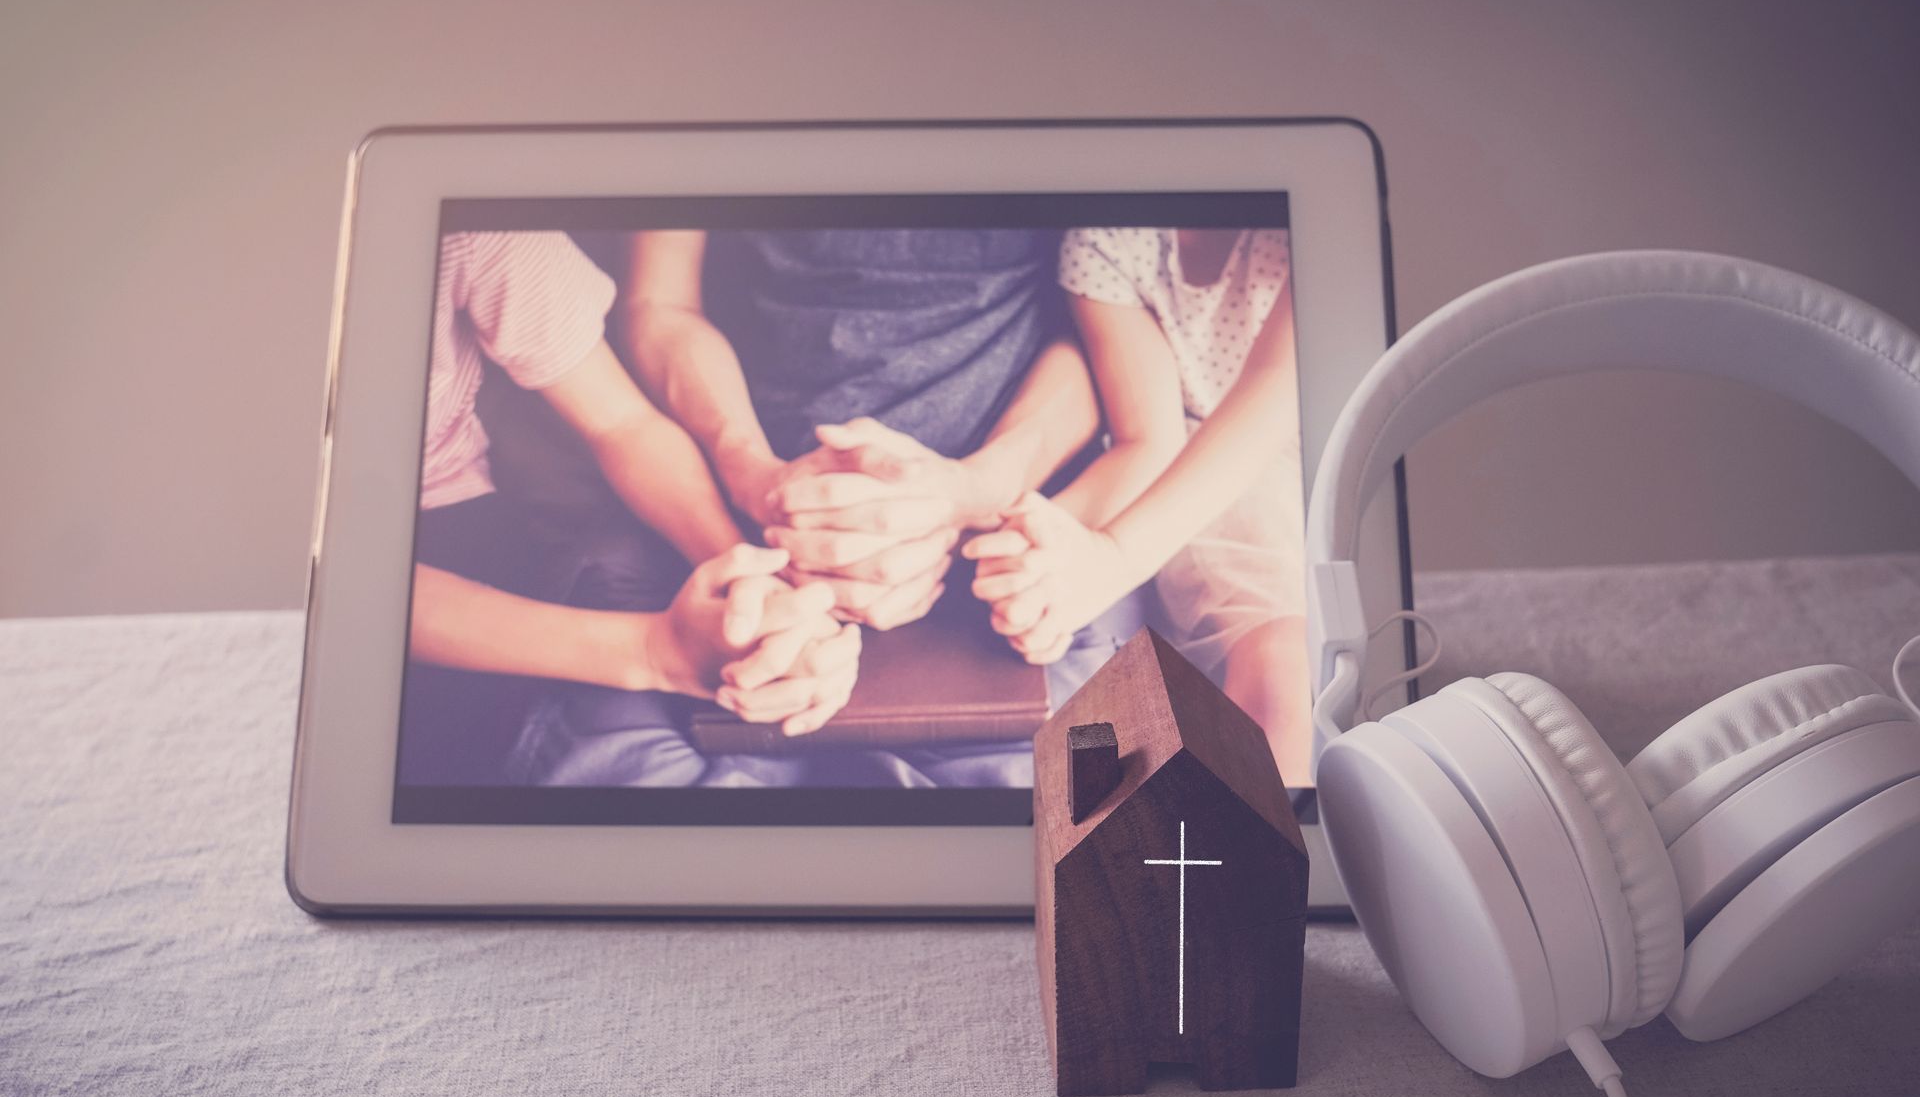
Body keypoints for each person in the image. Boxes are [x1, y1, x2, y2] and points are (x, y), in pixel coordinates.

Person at [507, 227, 1144, 789]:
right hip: (705, 512)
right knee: (637, 822)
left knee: (1057, 836)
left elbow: (1104, 332)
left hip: (1017, 532)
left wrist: (966, 491)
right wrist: (753, 481)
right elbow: (659, 301)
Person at [401, 231, 859, 783]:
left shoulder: (476, 231)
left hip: (461, 505)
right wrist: (652, 652)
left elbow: (622, 424)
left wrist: (748, 584)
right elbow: (343, 588)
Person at [962, 227, 1312, 785]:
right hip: (1181, 463)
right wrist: (1030, 554)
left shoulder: (1301, 224)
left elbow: (1274, 392)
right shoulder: (1109, 242)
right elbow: (1153, 433)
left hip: (1289, 444)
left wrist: (1105, 560)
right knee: (1270, 670)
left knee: (1286, 668)